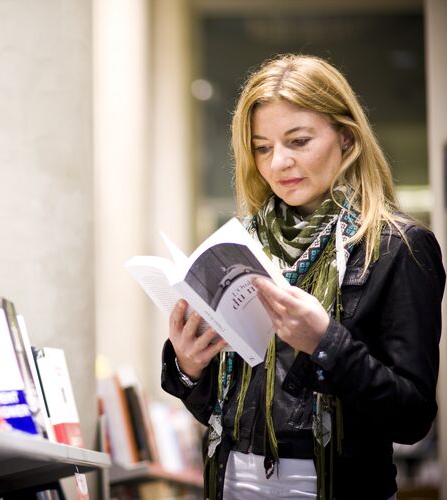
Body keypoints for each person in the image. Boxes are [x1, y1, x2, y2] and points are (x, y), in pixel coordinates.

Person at [161, 54, 445, 499]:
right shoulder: (241, 245)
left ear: (347, 138)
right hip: (229, 481)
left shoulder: (399, 247)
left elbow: (411, 417)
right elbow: (229, 413)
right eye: (262, 147)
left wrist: (325, 343)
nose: (278, 164)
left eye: (298, 141)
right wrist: (189, 368)